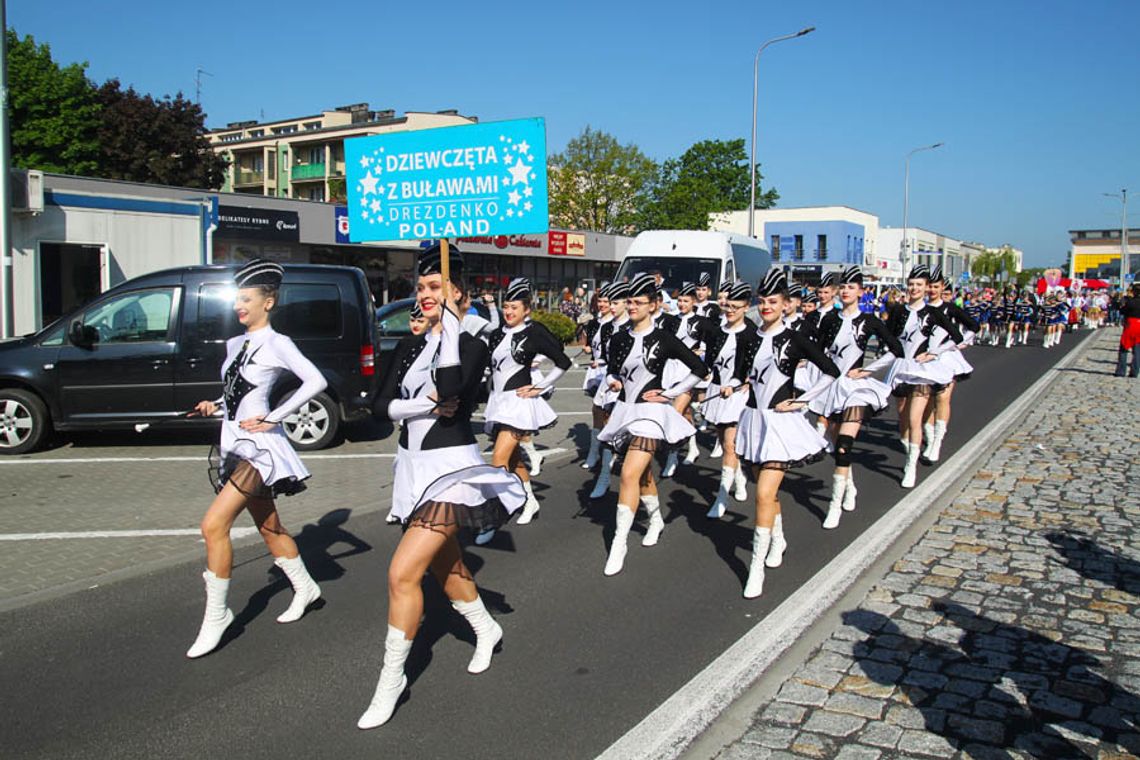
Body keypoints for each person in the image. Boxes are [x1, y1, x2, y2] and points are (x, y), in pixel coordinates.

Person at [358, 244, 525, 730]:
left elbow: (453, 389)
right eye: (421, 287)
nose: (424, 295)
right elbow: (379, 407)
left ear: (458, 293)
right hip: (411, 471)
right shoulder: (411, 344)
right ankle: (485, 627)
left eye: (435, 287)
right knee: (444, 568)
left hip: (452, 471)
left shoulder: (472, 342)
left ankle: (391, 681)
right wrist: (420, 407)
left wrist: (451, 325)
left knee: (401, 573)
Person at [187, 259, 328, 659]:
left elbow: (316, 381)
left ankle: (217, 615)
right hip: (233, 445)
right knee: (269, 526)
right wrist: (214, 405)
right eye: (237, 300)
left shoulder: (278, 342)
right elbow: (235, 393)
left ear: (269, 302)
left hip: (261, 449)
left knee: (213, 524)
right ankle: (305, 587)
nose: (238, 307)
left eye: (246, 300)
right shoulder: (235, 344)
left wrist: (273, 416)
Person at [733, 269, 840, 598]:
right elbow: (741, 375)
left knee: (763, 494)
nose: (766, 307)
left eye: (772, 302)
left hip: (781, 425)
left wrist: (803, 401)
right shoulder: (748, 337)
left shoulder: (794, 338)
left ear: (785, 305)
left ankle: (756, 567)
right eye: (762, 301)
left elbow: (832, 371)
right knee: (765, 491)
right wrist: (733, 386)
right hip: (753, 421)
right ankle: (777, 537)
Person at [597, 273, 707, 575]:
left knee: (628, 473)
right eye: (629, 302)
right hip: (625, 411)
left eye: (638, 302)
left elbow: (700, 368)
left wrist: (669, 393)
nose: (631, 307)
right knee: (642, 474)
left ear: (654, 304)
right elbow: (612, 370)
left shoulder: (664, 338)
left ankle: (619, 542)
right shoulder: (618, 337)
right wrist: (613, 381)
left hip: (651, 414)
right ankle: (655, 519)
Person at [809, 266, 904, 528]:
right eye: (843, 287)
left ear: (861, 292)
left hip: (855, 390)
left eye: (852, 287)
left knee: (844, 445)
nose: (846, 291)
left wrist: (868, 370)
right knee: (834, 439)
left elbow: (896, 349)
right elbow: (817, 350)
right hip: (831, 387)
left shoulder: (870, 321)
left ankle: (834, 505)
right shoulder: (829, 320)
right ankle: (849, 486)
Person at [483, 277, 573, 527]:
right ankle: (529, 500)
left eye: (515, 307)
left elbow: (563, 362)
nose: (509, 311)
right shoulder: (497, 333)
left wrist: (539, 387)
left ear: (526, 310)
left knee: (498, 459)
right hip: (498, 402)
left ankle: (496, 514)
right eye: (507, 306)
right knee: (512, 460)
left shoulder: (532, 332)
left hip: (519, 403)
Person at [885, 265, 963, 488]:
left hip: (921, 373)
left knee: (914, 417)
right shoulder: (899, 311)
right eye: (911, 284)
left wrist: (934, 353)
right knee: (901, 415)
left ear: (926, 287)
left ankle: (911, 466)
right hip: (901, 369)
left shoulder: (933, 313)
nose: (914, 288)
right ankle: (909, 446)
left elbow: (955, 336)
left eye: (919, 285)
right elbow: (888, 336)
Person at [700, 281, 759, 519]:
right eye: (727, 306)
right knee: (724, 443)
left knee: (730, 443)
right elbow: (710, 363)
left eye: (735, 306)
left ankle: (721, 497)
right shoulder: (716, 331)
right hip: (717, 392)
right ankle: (740, 478)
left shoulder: (752, 333)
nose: (730, 310)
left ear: (746, 306)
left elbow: (757, 367)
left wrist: (742, 383)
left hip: (738, 395)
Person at [920, 266, 979, 464]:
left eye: (936, 287)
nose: (932, 291)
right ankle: (929, 438)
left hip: (946, 358)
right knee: (926, 400)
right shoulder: (921, 308)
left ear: (942, 287)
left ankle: (937, 441)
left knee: (942, 399)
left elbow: (973, 326)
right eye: (929, 287)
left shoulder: (950, 308)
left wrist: (961, 342)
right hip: (923, 359)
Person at [662, 282, 717, 476]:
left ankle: (672, 456)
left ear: (693, 301)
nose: (682, 304)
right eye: (680, 300)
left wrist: (706, 360)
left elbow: (715, 343)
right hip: (670, 371)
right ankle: (693, 446)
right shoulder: (669, 320)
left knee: (675, 413)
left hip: (689, 371)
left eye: (686, 300)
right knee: (684, 413)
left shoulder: (702, 322)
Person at [386, 301, 431, 525]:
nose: (415, 324)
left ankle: (416, 505)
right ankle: (402, 504)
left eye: (420, 320)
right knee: (401, 461)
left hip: (429, 418)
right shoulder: (405, 344)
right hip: (406, 413)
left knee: (420, 465)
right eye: (412, 320)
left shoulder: (437, 347)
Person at [587, 282, 631, 499]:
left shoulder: (632, 327)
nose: (611, 307)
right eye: (609, 302)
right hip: (609, 380)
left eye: (616, 303)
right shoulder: (606, 327)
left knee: (624, 431)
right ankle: (604, 474)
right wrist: (601, 362)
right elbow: (606, 355)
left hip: (629, 384)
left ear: (626, 303)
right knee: (603, 421)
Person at [580, 284, 613, 467]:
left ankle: (609, 452)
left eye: (606, 301)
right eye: (600, 301)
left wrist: (603, 360)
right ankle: (595, 452)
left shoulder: (617, 324)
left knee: (606, 412)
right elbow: (591, 347)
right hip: (595, 371)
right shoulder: (593, 323)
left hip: (610, 370)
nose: (602, 304)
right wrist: (589, 351)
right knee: (597, 411)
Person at [1115, 283, 1140, 378]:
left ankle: (1121, 371)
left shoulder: (1131, 302)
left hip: (1131, 325)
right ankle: (1135, 371)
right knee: (1138, 350)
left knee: (1124, 348)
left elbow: (1122, 311)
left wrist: (1120, 305)